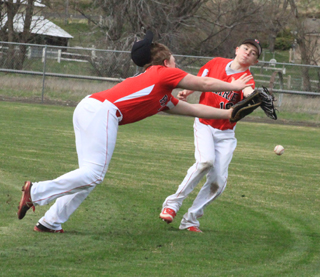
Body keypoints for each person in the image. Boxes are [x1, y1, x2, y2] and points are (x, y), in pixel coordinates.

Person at [17, 31, 254, 233]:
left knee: (88, 175)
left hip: (91, 108)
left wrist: (232, 113)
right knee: (94, 174)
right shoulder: (162, 72)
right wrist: (236, 86)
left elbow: (193, 108)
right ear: (166, 62)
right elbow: (204, 84)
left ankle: (50, 222)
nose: (176, 63)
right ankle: (36, 192)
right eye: (174, 59)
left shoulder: (161, 94)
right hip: (102, 112)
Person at [160, 38, 262, 233]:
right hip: (204, 124)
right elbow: (201, 80)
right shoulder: (215, 63)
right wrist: (187, 91)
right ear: (237, 49)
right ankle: (172, 204)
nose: (248, 52)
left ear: (254, 62)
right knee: (205, 161)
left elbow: (249, 92)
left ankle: (190, 220)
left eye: (253, 53)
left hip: (226, 133)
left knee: (218, 182)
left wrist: (252, 95)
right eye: (246, 48)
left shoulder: (247, 79)